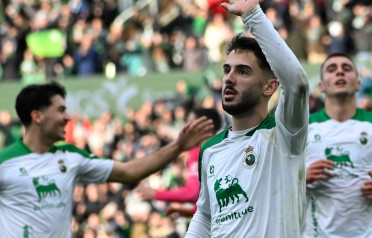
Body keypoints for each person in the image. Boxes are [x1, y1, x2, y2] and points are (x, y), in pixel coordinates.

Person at [0, 82, 214, 238]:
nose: (67, 118)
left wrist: (178, 146)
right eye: (61, 110)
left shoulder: (71, 157)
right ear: (37, 116)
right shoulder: (4, 162)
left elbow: (130, 171)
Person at [185, 0, 310, 237]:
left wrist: (253, 15)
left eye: (243, 71)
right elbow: (205, 215)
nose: (229, 78)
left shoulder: (285, 136)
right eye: (227, 70)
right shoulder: (210, 150)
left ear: (269, 87)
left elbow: (297, 84)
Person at [302, 53, 372, 238]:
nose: (340, 72)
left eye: (346, 69)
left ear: (358, 83)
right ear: (321, 85)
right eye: (332, 70)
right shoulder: (302, 128)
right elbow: (275, 176)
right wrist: (300, 178)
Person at [138, 107, 222, 217]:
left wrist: (156, 194)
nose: (185, 126)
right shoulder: (195, 151)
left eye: (191, 122)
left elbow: (195, 193)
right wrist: (188, 212)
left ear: (206, 126)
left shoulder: (212, 152)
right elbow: (205, 199)